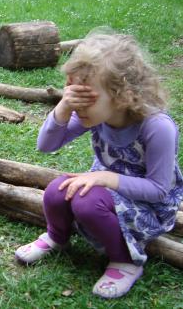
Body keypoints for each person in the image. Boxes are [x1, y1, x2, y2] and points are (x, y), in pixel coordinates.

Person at [14, 33, 183, 299]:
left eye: (85, 95)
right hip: (105, 189)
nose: (78, 102)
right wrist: (63, 107)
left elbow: (159, 191)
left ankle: (125, 260)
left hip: (149, 206)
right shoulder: (96, 113)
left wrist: (105, 177)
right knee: (57, 191)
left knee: (86, 203)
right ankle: (57, 238)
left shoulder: (156, 127)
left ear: (121, 95)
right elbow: (46, 145)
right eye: (73, 93)